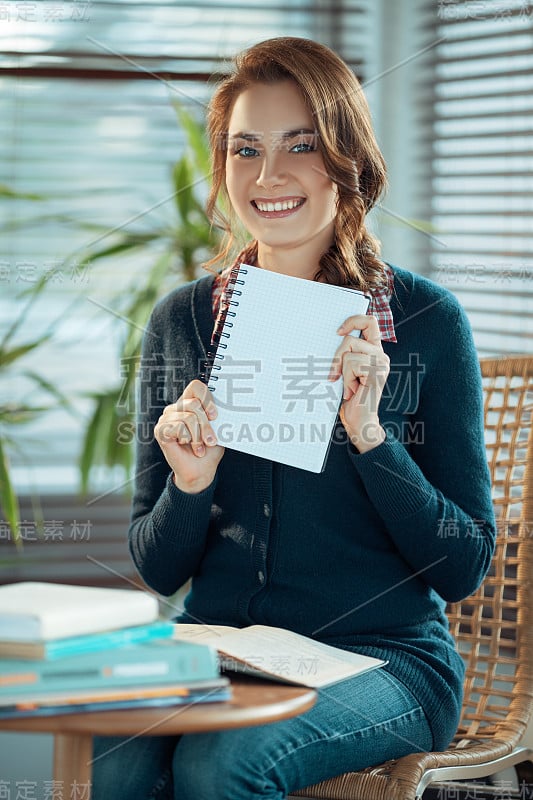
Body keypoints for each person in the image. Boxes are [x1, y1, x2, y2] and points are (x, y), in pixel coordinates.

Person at [92, 36, 496, 800]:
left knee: (223, 761)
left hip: (384, 659)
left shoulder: (426, 322)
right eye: (245, 149)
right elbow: (156, 566)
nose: (268, 176)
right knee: (112, 744)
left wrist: (370, 439)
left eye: (299, 145)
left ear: (347, 160)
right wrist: (189, 484)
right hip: (221, 648)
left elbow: (463, 565)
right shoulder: (182, 320)